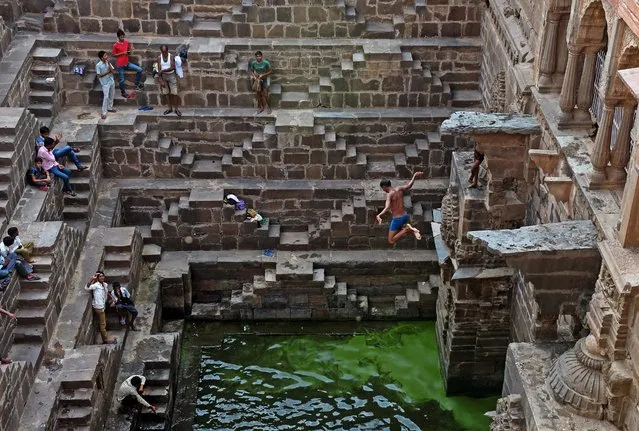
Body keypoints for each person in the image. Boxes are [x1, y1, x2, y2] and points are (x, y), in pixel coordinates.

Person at [376, 172, 424, 245]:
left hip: (397, 219)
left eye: (382, 188)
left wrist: (379, 215)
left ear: (384, 186)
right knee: (399, 230)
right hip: (405, 216)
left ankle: (407, 229)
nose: (383, 190)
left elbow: (387, 207)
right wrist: (414, 176)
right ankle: (413, 231)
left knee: (391, 240)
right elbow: (409, 185)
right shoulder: (399, 189)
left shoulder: (389, 195)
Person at [84, 271, 117, 344]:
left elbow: (106, 292)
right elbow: (87, 288)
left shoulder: (104, 285)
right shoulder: (96, 285)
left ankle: (105, 337)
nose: (102, 277)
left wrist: (112, 298)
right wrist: (91, 279)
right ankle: (105, 339)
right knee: (103, 324)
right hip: (99, 307)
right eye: (100, 276)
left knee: (103, 322)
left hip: (103, 304)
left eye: (102, 276)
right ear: (97, 278)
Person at [112, 29, 144, 98]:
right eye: (121, 37)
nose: (122, 38)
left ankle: (137, 84)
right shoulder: (115, 45)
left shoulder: (126, 43)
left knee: (140, 70)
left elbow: (128, 51)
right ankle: (123, 92)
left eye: (123, 37)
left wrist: (129, 51)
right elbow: (114, 55)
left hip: (127, 63)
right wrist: (122, 53)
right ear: (118, 37)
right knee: (122, 79)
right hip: (120, 65)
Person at [155, 44, 181, 117]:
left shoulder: (171, 56)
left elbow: (172, 67)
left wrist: (163, 70)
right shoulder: (159, 58)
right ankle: (169, 108)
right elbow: (159, 69)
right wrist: (161, 80)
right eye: (163, 52)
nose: (164, 53)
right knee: (166, 93)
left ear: (167, 51)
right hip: (163, 77)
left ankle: (176, 109)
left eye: (165, 52)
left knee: (174, 93)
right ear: (161, 51)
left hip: (171, 75)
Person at [96, 50, 117, 120]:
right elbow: (99, 75)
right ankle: (103, 112)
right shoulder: (98, 65)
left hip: (111, 81)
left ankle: (110, 107)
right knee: (106, 97)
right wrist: (107, 72)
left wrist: (109, 65)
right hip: (105, 83)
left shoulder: (108, 62)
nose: (106, 56)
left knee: (112, 94)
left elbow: (113, 71)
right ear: (102, 58)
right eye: (105, 56)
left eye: (106, 55)